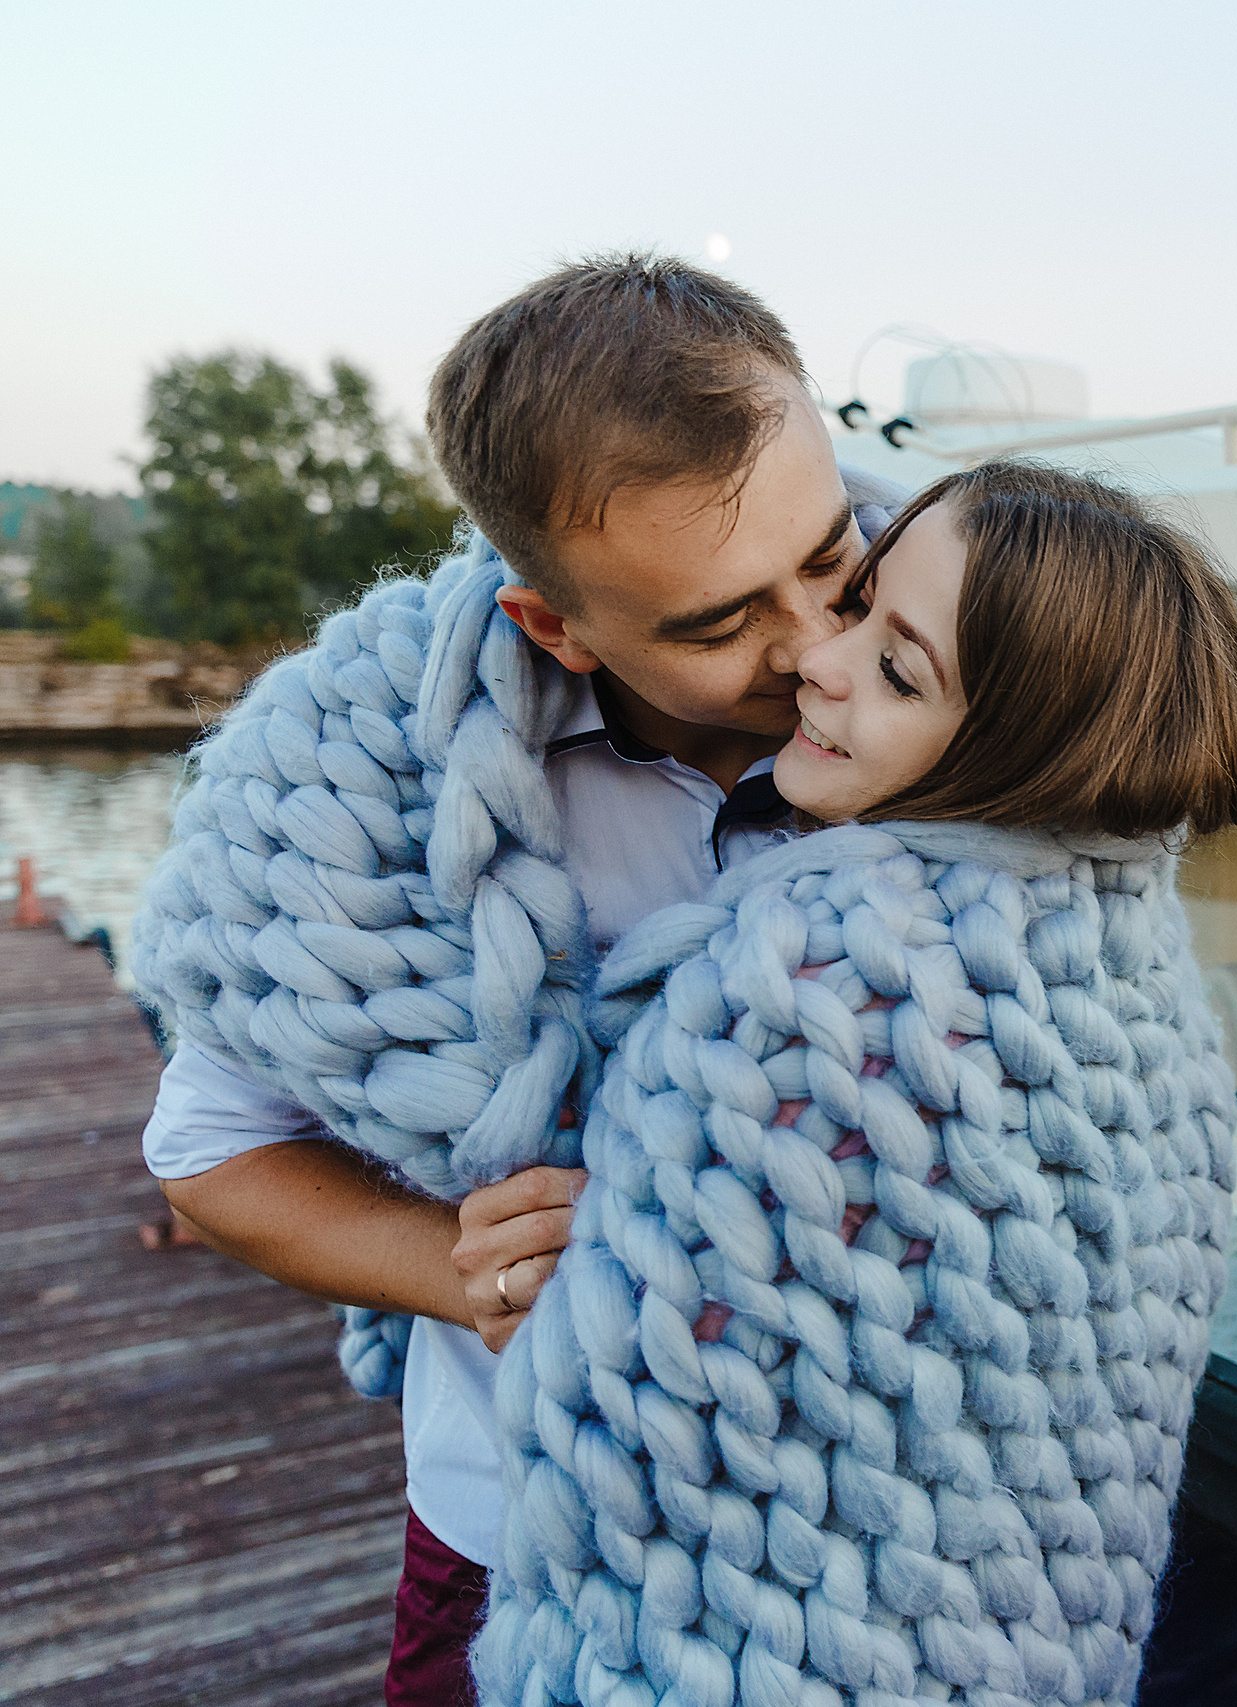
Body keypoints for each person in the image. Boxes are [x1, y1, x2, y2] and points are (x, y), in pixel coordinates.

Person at [132, 254, 904, 1706]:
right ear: (556, 625)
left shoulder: (980, 662)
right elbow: (209, 1152)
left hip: (883, 1530)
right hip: (525, 1528)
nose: (816, 652)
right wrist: (455, 1268)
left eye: (830, 560)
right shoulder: (362, 799)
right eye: (718, 620)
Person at [472, 461, 1237, 1707]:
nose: (816, 664)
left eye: (898, 670)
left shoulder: (818, 975)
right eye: (861, 606)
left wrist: (575, 1275)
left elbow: (643, 1405)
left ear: (1018, 747)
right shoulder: (1135, 952)